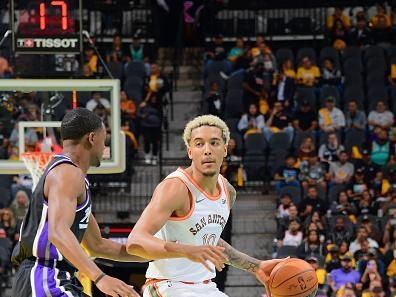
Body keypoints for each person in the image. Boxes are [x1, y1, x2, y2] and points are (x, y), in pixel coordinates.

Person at [126, 114, 286, 297]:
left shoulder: (228, 191)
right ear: (190, 152)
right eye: (199, 144)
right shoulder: (175, 188)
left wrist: (256, 266)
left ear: (225, 149)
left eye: (214, 143)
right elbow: (135, 241)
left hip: (205, 287)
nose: (207, 150)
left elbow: (206, 239)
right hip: (167, 286)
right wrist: (187, 251)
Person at [11, 108, 143, 297]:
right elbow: (58, 232)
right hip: (46, 277)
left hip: (53, 277)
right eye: (103, 138)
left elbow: (97, 245)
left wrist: (158, 256)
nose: (104, 146)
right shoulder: (68, 173)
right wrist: (100, 278)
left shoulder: (72, 178)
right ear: (91, 138)